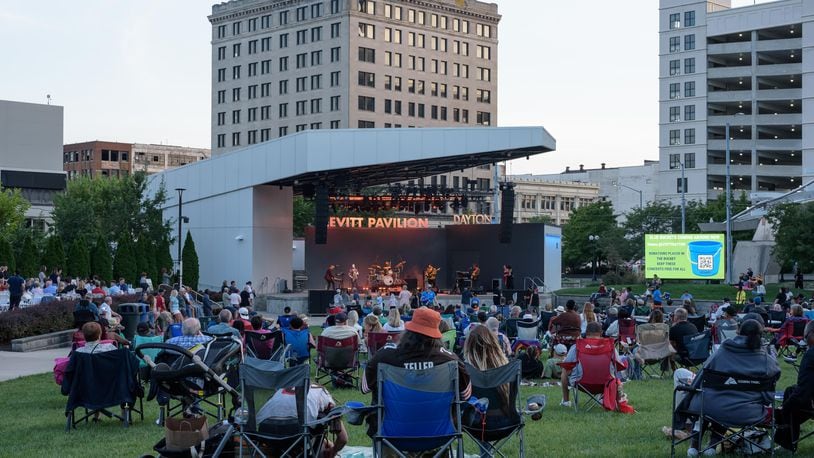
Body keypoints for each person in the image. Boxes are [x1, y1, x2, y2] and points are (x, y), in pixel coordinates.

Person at [672, 319, 780, 456]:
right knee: (726, 400)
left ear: (738, 332)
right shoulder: (767, 361)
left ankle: (694, 446)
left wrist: (687, 401)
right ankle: (711, 446)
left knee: (713, 399)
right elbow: (768, 395)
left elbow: (700, 378)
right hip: (747, 413)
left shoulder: (722, 351)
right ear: (761, 336)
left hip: (711, 406)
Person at [361, 307, 472, 435]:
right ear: (436, 335)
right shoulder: (451, 360)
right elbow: (465, 395)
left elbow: (365, 388)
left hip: (391, 433)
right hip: (439, 434)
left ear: (409, 331)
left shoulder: (384, 356)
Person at [256, 383, 347, 458]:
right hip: (295, 432)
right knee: (317, 422)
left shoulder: (281, 389)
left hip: (265, 432)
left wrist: (327, 442)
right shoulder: (322, 392)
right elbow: (343, 439)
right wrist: (333, 451)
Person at [560, 322, 626, 407]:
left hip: (581, 383)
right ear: (601, 333)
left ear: (586, 333)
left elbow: (567, 365)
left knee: (564, 370)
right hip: (605, 383)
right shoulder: (610, 346)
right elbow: (619, 365)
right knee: (613, 372)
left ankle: (566, 401)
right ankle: (605, 397)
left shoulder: (577, 346)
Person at [776, 320, 814, 451]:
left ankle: (786, 445)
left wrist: (785, 407)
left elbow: (803, 391)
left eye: (805, 337)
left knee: (791, 397)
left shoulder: (811, 355)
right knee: (792, 393)